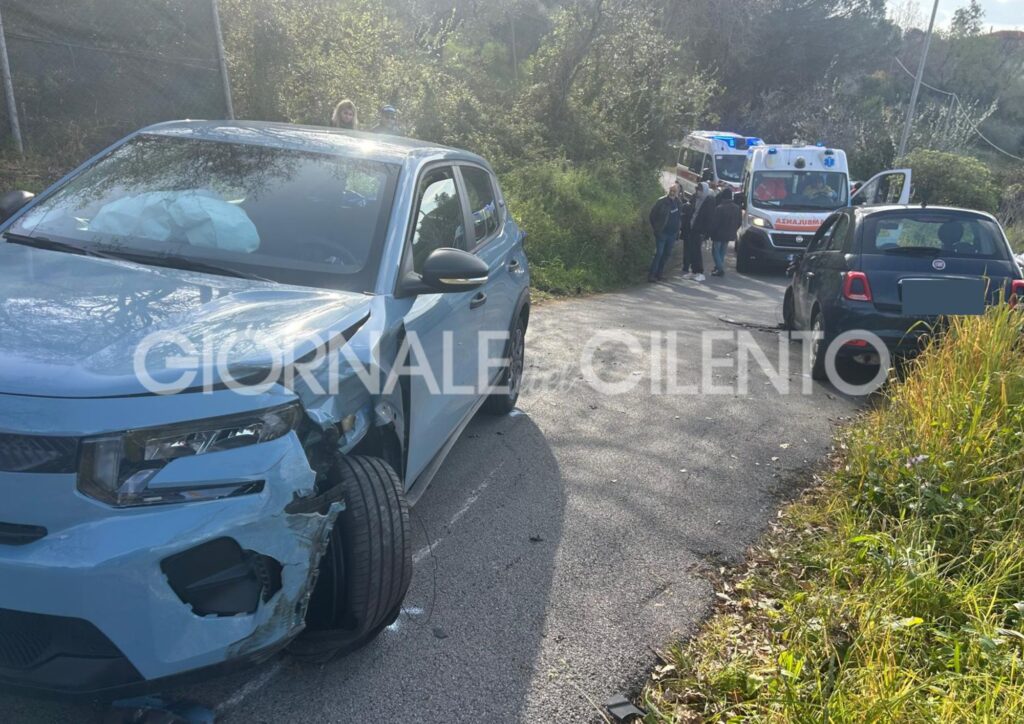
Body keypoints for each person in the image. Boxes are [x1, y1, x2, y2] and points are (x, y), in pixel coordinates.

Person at [647, 183, 682, 282]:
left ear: (678, 193)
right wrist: (656, 228)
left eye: (674, 191)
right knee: (659, 253)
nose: (672, 193)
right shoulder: (661, 201)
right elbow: (652, 215)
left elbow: (679, 217)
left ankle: (660, 274)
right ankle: (651, 275)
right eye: (671, 190)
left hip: (672, 234)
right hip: (662, 233)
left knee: (667, 254)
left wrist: (678, 229)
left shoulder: (679, 203)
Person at [710, 188, 742, 276]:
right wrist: (733, 229)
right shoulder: (736, 208)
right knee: (722, 252)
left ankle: (720, 268)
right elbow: (739, 222)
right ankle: (717, 267)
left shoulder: (719, 208)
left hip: (718, 234)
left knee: (715, 251)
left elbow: (715, 223)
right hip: (729, 234)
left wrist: (710, 233)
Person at [686, 182, 714, 281]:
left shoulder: (709, 201)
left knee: (697, 251)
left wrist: (706, 233)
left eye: (700, 190)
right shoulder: (695, 198)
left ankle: (700, 272)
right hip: (692, 227)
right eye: (697, 189)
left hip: (700, 230)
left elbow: (709, 218)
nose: (698, 192)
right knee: (692, 250)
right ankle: (693, 271)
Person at [678, 193, 695, 275]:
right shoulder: (698, 207)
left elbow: (682, 219)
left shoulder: (686, 206)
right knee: (692, 249)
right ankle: (691, 264)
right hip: (694, 231)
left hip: (686, 231)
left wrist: (681, 229)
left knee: (686, 249)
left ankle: (686, 266)